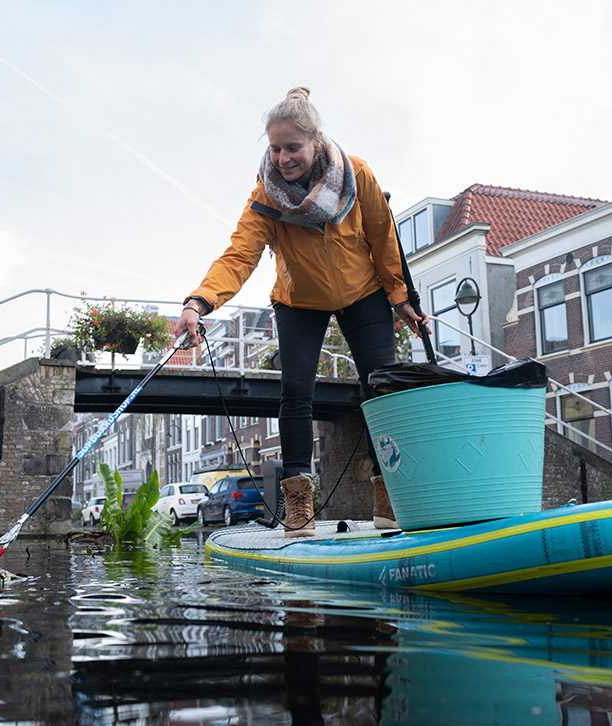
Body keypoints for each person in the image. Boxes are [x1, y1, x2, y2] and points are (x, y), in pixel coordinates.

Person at [174, 87, 428, 537]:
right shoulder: (265, 197)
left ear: (316, 141)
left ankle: (387, 494)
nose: (283, 158)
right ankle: (298, 501)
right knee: (295, 392)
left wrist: (400, 296)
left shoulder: (357, 175)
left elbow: (383, 237)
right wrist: (200, 301)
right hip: (299, 300)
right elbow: (239, 256)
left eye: (292, 147)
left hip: (363, 291)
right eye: (275, 148)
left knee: (381, 388)